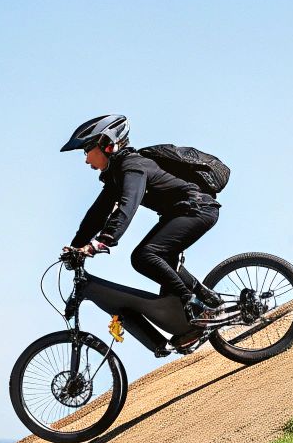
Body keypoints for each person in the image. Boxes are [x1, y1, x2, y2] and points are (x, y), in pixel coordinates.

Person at [59, 115, 225, 344]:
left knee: (145, 256)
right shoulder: (117, 174)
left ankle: (197, 306)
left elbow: (128, 206)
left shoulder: (132, 167)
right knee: (157, 260)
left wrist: (102, 241)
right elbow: (96, 215)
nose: (86, 160)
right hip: (184, 212)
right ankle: (206, 301)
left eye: (87, 150)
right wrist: (76, 246)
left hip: (197, 209)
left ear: (106, 144)